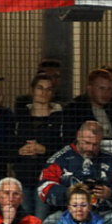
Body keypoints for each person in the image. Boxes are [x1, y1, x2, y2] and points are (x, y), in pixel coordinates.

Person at [39, 121, 112, 224]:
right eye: (86, 143)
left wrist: (110, 193)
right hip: (69, 214)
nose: (90, 148)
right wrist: (69, 193)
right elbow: (43, 188)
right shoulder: (60, 159)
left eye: (95, 144)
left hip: (103, 214)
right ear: (78, 136)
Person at [12, 72, 68, 200]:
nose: (44, 92)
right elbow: (9, 147)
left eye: (49, 89)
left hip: (48, 179)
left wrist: (45, 150)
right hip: (23, 178)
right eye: (40, 88)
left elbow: (66, 149)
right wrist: (20, 151)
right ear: (32, 90)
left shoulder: (60, 119)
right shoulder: (20, 117)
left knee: (41, 217)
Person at [64, 68, 112, 136]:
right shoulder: (75, 111)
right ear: (90, 89)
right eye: (102, 88)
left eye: (109, 89)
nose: (106, 93)